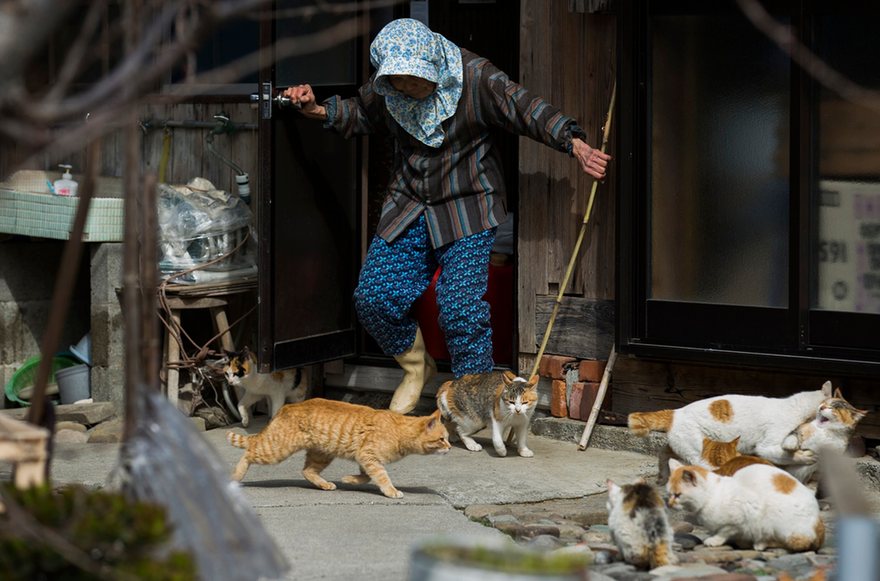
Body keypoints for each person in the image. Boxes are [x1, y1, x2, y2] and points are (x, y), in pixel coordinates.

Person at [283, 18, 610, 414]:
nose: (407, 89)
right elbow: (363, 113)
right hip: (410, 202)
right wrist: (316, 109)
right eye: (399, 82)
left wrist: (573, 143)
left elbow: (525, 108)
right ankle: (416, 366)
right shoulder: (389, 85)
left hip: (467, 204)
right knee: (373, 298)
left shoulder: (474, 77)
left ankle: (477, 401)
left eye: (414, 80)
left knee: (459, 307)